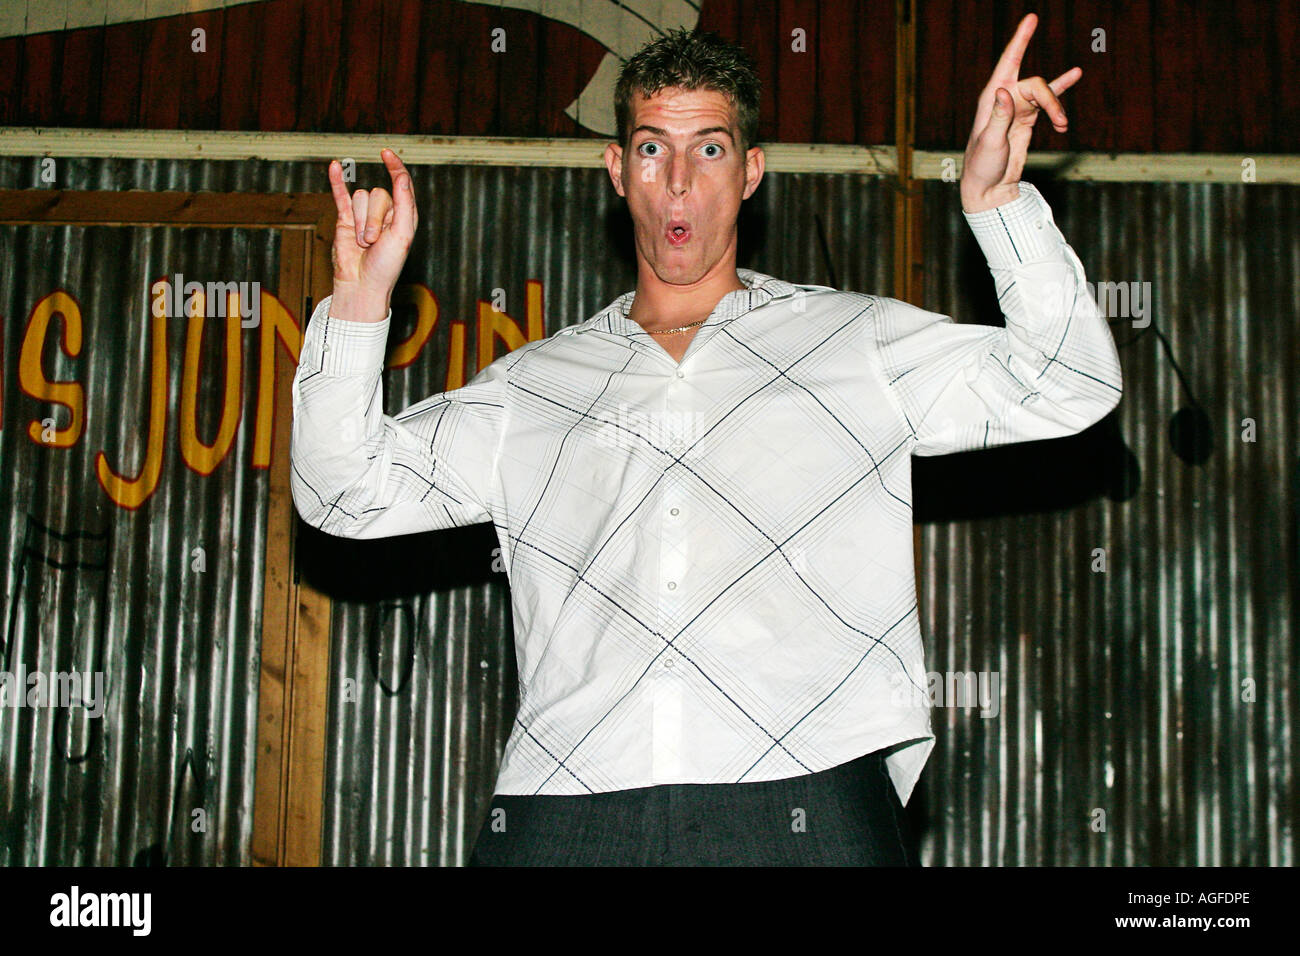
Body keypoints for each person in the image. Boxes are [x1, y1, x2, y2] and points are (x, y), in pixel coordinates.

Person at [291, 17, 1121, 866]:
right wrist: (359, 303)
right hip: (571, 801)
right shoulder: (533, 387)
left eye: (711, 150)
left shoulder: (853, 341)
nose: (679, 182)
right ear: (618, 169)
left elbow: (1069, 381)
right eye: (652, 149)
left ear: (752, 170)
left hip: (811, 788)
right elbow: (344, 495)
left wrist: (997, 204)